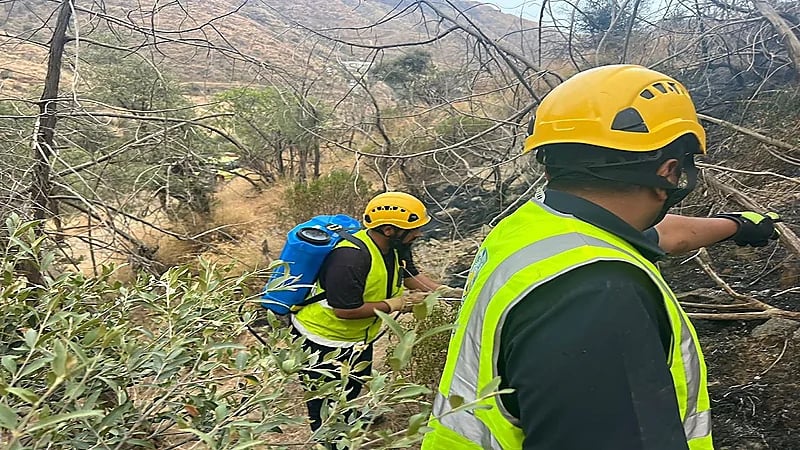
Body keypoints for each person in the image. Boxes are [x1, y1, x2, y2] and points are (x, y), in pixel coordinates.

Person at [421, 65, 780, 450]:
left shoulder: (537, 227)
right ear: (670, 171)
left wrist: (737, 225)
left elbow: (661, 233)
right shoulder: (600, 295)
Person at [291, 191, 459, 433]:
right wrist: (397, 304)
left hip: (357, 337)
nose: (418, 233)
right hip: (322, 339)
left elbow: (408, 274)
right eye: (413, 228)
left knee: (354, 383)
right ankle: (329, 438)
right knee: (324, 400)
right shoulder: (350, 258)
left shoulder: (396, 247)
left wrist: (444, 292)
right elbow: (345, 310)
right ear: (389, 230)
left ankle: (348, 416)